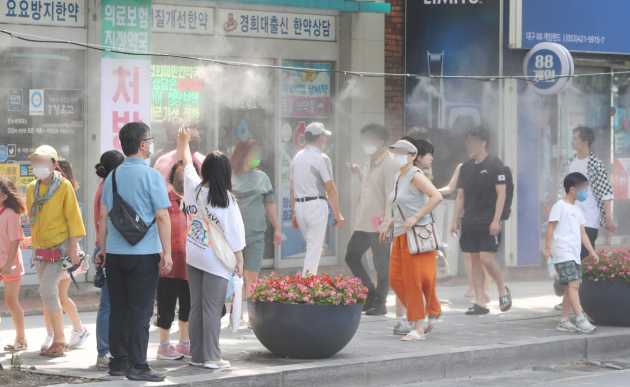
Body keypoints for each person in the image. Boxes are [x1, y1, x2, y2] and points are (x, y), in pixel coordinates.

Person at [99, 122, 173, 382]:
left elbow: (103, 217)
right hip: (143, 254)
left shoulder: (113, 176)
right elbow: (163, 216)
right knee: (140, 311)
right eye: (149, 140)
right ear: (142, 145)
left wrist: (102, 249)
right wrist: (168, 253)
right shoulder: (152, 176)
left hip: (116, 254)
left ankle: (118, 362)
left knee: (118, 308)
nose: (150, 144)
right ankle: (139, 365)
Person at [177, 127, 245, 370]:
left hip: (194, 254)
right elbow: (235, 234)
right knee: (212, 308)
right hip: (215, 258)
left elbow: (185, 161)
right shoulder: (226, 199)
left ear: (204, 170)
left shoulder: (193, 187)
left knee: (196, 306)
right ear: (226, 173)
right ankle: (212, 357)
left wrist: (183, 140)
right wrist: (239, 259)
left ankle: (197, 355)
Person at [380, 139, 443, 341]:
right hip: (400, 234)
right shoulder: (399, 176)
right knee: (396, 279)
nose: (396, 156)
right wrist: (389, 222)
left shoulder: (415, 175)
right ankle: (432, 310)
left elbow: (436, 197)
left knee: (414, 281)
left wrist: (416, 217)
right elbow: (397, 204)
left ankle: (418, 327)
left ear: (412, 156)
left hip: (417, 236)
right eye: (394, 152)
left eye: (400, 152)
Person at [27, 145, 86, 357]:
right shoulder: (31, 188)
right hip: (41, 250)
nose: (38, 166)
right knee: (48, 294)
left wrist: (72, 248)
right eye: (35, 162)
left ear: (53, 164)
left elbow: (74, 219)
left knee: (48, 291)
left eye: (42, 161)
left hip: (59, 249)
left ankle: (59, 340)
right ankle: (56, 336)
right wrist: (33, 246)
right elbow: (34, 221)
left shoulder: (64, 186)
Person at [450, 128, 512, 315]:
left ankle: (502, 288)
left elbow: (502, 194)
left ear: (483, 143)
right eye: (468, 142)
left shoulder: (495, 164)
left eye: (474, 141)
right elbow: (460, 196)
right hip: (469, 220)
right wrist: (454, 220)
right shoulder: (466, 167)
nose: (470, 145)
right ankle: (480, 301)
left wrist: (496, 220)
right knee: (474, 260)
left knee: (486, 257)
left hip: (488, 220)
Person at [345, 124, 399, 316]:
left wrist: (387, 221)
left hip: (380, 222)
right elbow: (370, 187)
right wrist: (359, 173)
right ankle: (370, 294)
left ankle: (380, 302)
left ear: (381, 141)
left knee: (381, 263)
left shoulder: (390, 163)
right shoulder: (370, 161)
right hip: (365, 221)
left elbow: (390, 194)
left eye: (369, 139)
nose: (365, 144)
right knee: (351, 256)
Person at [544, 172, 598, 333]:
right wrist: (547, 248)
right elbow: (550, 228)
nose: (586, 192)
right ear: (573, 189)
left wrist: (591, 251)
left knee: (570, 287)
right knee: (574, 284)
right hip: (562, 252)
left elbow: (583, 234)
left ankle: (564, 320)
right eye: (584, 188)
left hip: (574, 254)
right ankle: (580, 318)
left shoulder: (578, 210)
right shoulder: (559, 206)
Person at [290, 122, 345, 275]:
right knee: (314, 248)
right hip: (316, 205)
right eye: (324, 137)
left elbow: (291, 187)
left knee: (312, 247)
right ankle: (306, 286)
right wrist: (337, 213)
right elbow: (331, 188)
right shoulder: (322, 158)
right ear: (319, 138)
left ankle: (306, 283)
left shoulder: (297, 157)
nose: (325, 140)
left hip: (300, 207)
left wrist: (294, 212)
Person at [230, 139, 282, 301]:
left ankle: (250, 315)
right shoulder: (228, 176)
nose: (257, 157)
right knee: (233, 276)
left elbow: (270, 204)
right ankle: (235, 312)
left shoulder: (262, 177)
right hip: (232, 236)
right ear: (243, 154)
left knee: (252, 276)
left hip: (256, 234)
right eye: (254, 153)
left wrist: (277, 228)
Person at [156, 161, 192, 361]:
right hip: (168, 263)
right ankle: (163, 345)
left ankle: (185, 342)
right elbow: (158, 224)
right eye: (179, 174)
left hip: (189, 263)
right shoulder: (166, 199)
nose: (183, 177)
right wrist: (162, 252)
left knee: (187, 303)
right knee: (166, 303)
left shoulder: (195, 200)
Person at [93, 150, 125, 369]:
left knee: (109, 303)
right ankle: (104, 351)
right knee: (109, 304)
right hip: (108, 247)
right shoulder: (110, 187)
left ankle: (106, 350)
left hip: (103, 245)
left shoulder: (103, 185)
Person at [53, 159, 90, 350]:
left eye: (56, 170)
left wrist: (73, 249)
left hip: (66, 253)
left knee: (59, 296)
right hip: (60, 252)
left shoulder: (68, 194)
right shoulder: (59, 193)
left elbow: (73, 227)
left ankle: (77, 329)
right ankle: (68, 331)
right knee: (56, 296)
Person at [568, 126, 615, 254]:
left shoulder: (595, 164)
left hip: (589, 218)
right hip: (571, 218)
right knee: (571, 254)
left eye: (575, 138)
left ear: (585, 141)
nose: (572, 141)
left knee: (585, 255)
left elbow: (606, 192)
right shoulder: (570, 162)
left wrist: (608, 218)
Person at [0, 177, 27, 352]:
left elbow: (16, 241)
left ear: (3, 195)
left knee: (11, 301)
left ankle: (21, 339)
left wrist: (9, 264)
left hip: (10, 264)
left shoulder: (10, 214)